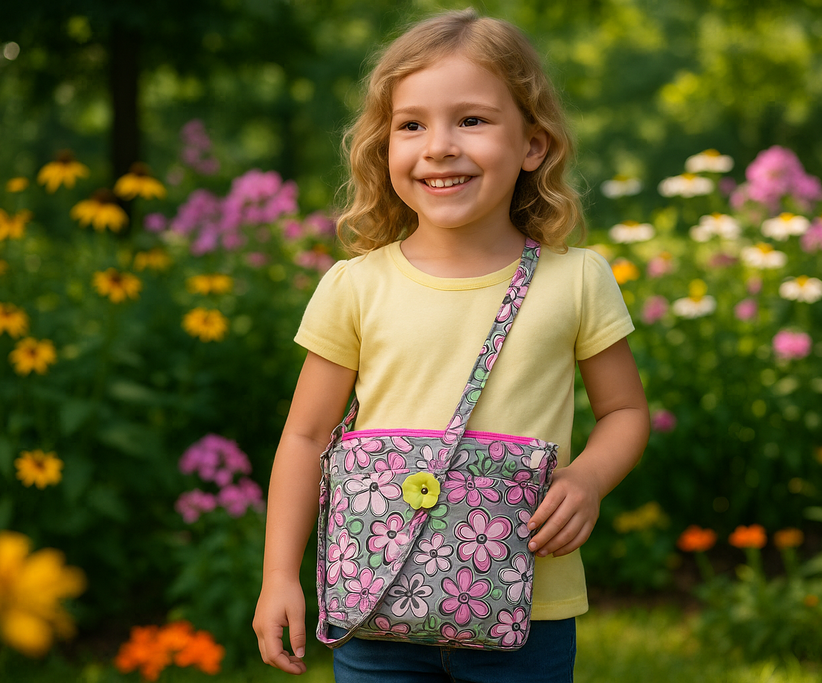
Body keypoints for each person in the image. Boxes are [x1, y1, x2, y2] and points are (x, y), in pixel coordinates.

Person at [253, 9, 650, 682]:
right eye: (411, 125)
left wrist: (588, 477)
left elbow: (626, 412)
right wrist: (278, 576)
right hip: (377, 605)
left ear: (533, 145)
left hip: (527, 612)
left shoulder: (577, 279)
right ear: (384, 146)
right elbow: (305, 436)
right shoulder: (356, 286)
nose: (439, 147)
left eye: (471, 120)